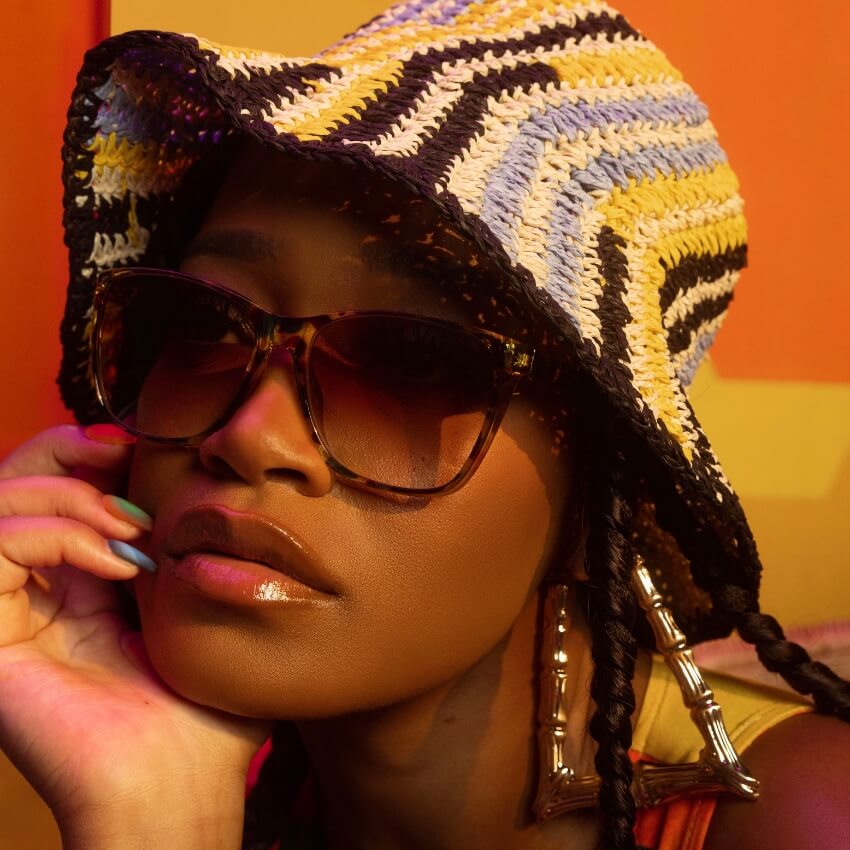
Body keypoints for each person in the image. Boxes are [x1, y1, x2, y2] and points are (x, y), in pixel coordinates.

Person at [1, 1, 848, 848]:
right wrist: (151, 817)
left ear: (594, 486)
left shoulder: (803, 820)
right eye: (208, 325)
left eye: (412, 360)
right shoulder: (251, 805)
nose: (251, 437)